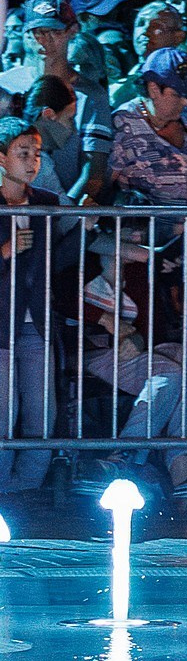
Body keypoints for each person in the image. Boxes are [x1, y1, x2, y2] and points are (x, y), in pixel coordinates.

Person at [0, 118, 65, 490]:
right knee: (3, 413)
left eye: (37, 154)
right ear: (2, 158)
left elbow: (59, 258)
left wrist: (85, 229)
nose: (32, 161)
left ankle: (26, 488)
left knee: (42, 413)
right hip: (1, 324)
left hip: (35, 321)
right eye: (22, 153)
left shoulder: (46, 203)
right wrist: (5, 251)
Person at [0, 0, 114, 203]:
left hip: (62, 206)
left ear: (73, 30)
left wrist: (62, 211)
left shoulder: (91, 95)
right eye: (37, 32)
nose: (44, 40)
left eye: (54, 31)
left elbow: (93, 167)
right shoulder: (4, 85)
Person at [110, 48, 187, 205]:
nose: (186, 102)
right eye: (177, 94)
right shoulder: (123, 124)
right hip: (149, 221)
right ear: (153, 89)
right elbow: (104, 185)